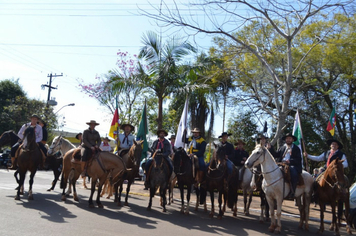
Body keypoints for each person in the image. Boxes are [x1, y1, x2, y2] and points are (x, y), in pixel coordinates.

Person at [274, 133, 303, 198]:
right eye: (287, 138)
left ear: (292, 140)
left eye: (289, 138)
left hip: (291, 165)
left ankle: (292, 191)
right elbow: (276, 154)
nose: (288, 140)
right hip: (281, 163)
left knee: (293, 172)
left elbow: (298, 159)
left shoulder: (296, 148)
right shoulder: (282, 147)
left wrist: (290, 161)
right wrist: (270, 148)